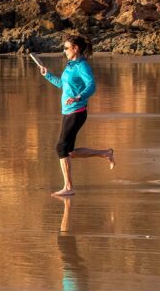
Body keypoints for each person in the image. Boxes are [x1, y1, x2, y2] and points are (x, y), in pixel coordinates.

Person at [36, 33, 114, 196]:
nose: (64, 51)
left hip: (77, 111)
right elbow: (64, 86)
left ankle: (69, 187)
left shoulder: (82, 66)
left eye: (66, 48)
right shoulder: (71, 65)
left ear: (75, 48)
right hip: (68, 111)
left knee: (61, 148)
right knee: (69, 151)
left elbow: (91, 86)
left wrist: (79, 97)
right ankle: (105, 153)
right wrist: (47, 75)